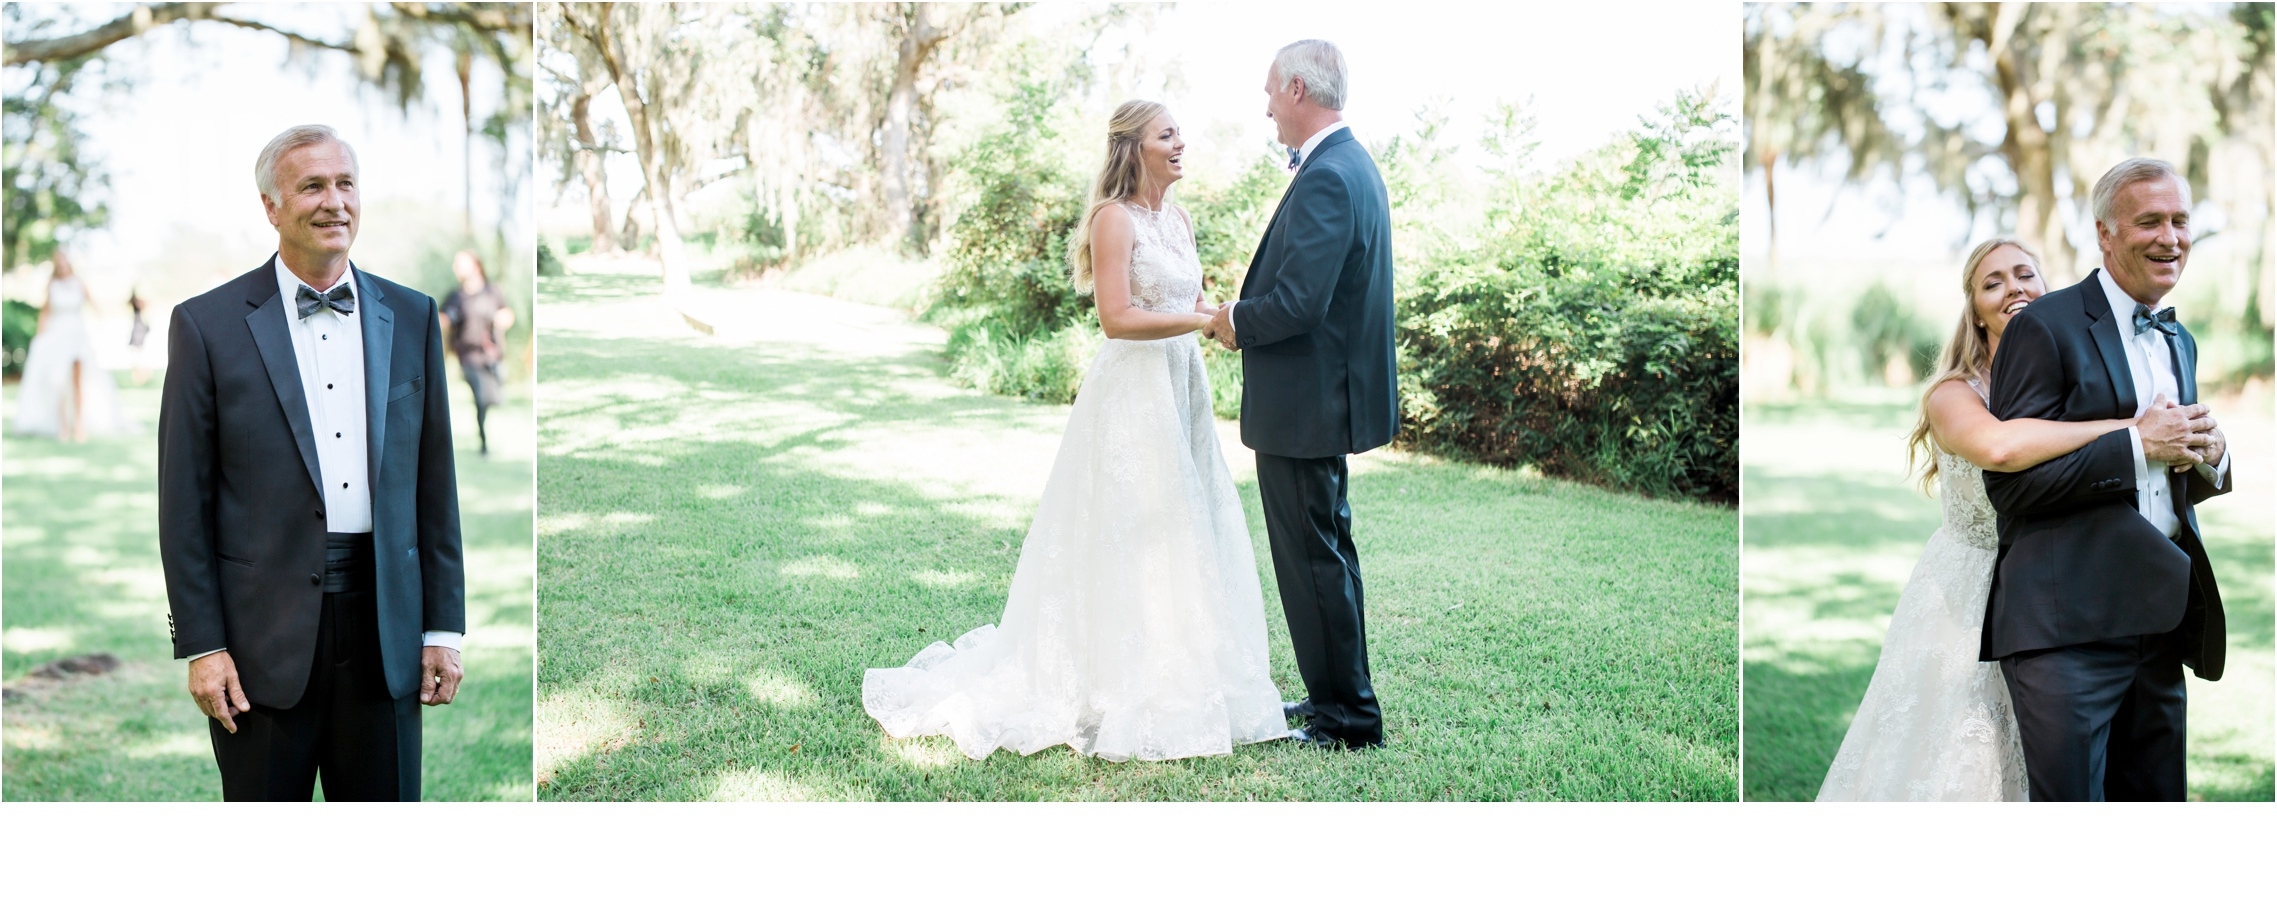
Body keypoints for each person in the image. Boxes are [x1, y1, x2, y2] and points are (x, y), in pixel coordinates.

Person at [861, 99, 1288, 761]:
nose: (1181, 143)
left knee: (1182, 524)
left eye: (1179, 134)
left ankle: (1181, 676)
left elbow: (1188, 302)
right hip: (1132, 393)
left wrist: (1225, 319)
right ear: (1133, 147)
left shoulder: (1177, 219)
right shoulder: (1111, 219)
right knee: (1128, 526)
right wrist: (1203, 322)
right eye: (1166, 135)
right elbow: (1116, 318)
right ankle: (1112, 683)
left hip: (1181, 385)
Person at [1816, 237, 2208, 800]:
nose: (2014, 289)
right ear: (1973, 310)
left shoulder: (2079, 379)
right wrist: (2134, 432)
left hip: (2074, 587)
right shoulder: (1953, 394)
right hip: (1969, 593)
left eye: (2025, 274)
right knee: (1966, 754)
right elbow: (2000, 448)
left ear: (2048, 289)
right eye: (1992, 282)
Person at [158, 124, 467, 801]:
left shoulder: (412, 316)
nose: (335, 201)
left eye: (346, 183)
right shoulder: (205, 325)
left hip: (386, 632)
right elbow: (184, 504)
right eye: (312, 186)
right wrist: (203, 647)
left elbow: (433, 489)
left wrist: (442, 629)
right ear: (271, 206)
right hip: (259, 644)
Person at [1980, 157, 2230, 801]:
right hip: (2069, 628)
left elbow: (2164, 477)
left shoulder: (2181, 342)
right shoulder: (2044, 327)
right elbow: (2009, 488)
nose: (2169, 238)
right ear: (2105, 234)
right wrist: (2134, 444)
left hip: (2160, 618)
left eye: (2179, 221)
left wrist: (2210, 455)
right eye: (2149, 221)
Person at [1205, 39, 1398, 749]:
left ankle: (1347, 720)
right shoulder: (1352, 165)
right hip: (1317, 403)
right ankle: (1333, 699)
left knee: (1312, 559)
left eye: (1267, 92)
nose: (1264, 107)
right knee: (1324, 554)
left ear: (1295, 88)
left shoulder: (1328, 175)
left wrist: (1232, 322)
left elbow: (1298, 302)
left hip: (1305, 407)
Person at [14, 249, 136, 440]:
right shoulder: (52, 284)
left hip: (78, 336)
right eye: (58, 260)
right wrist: (40, 337)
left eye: (64, 259)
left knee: (79, 381)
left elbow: (94, 304)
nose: (62, 263)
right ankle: (63, 425)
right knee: (59, 381)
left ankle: (79, 425)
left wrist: (106, 323)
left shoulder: (79, 283)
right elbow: (45, 312)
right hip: (57, 336)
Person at [439, 250, 514, 455]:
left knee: (494, 397)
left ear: (476, 265)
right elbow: (442, 319)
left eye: (460, 263)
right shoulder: (455, 296)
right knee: (481, 397)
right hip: (468, 355)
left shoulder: (493, 291)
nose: (456, 268)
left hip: (492, 354)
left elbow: (507, 313)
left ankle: (488, 427)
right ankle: (484, 442)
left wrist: (504, 318)